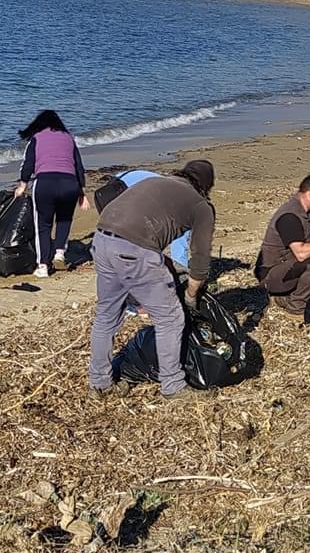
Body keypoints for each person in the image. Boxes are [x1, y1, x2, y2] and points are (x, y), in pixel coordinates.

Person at [89, 159, 215, 400]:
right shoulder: (201, 205)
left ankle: (100, 383)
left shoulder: (157, 182)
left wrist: (163, 267)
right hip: (133, 248)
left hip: (102, 239)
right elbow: (200, 261)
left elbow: (150, 237)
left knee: (106, 315)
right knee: (171, 317)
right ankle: (173, 386)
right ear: (206, 186)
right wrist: (190, 295)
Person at [13, 109, 90, 277]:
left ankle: (42, 266)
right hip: (70, 184)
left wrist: (22, 185)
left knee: (43, 224)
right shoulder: (68, 138)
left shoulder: (37, 138)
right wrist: (82, 194)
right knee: (64, 219)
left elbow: (28, 164)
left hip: (45, 183)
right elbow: (78, 166)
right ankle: (60, 253)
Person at [256, 173, 310, 325]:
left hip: (287, 268)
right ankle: (296, 310)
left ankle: (285, 297)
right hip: (271, 274)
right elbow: (301, 254)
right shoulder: (289, 216)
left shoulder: (307, 215)